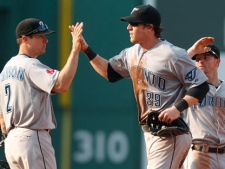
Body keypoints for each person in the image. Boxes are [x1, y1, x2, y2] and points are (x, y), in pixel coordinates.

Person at [74, 4, 209, 169]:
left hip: (170, 134)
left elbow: (201, 86)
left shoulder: (172, 53)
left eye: (134, 24)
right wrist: (86, 49)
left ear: (149, 27)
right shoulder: (131, 53)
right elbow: (109, 72)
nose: (128, 27)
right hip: (151, 133)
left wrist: (177, 108)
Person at [0, 18, 83, 169]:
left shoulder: (6, 70)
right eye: (39, 36)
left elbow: (2, 122)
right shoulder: (30, 65)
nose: (46, 40)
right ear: (25, 39)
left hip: (12, 143)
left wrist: (14, 139)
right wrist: (75, 50)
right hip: (32, 138)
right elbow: (61, 85)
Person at [182, 37, 225, 169]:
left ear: (217, 62)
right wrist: (192, 50)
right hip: (199, 153)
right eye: (198, 58)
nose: (201, 61)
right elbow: (174, 65)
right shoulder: (188, 88)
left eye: (206, 57)